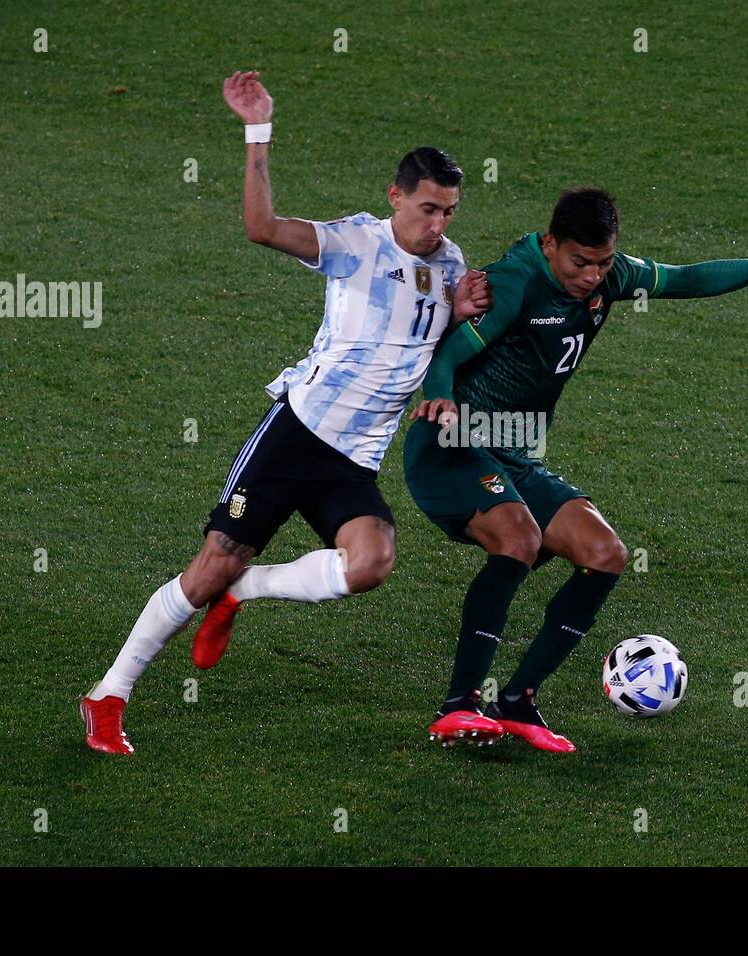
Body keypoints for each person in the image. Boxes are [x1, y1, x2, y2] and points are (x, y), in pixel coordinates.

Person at [80, 71, 490, 754]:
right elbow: (260, 228)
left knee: (372, 564)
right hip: (296, 436)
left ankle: (248, 589)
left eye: (449, 210)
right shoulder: (355, 243)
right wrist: (257, 131)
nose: (439, 223)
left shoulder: (450, 265)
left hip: (355, 458)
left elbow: (421, 344)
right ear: (395, 197)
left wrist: (460, 314)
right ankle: (108, 696)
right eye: (427, 208)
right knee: (206, 567)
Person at [405, 187, 748, 752]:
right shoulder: (517, 280)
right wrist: (440, 397)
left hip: (515, 454)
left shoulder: (611, 274)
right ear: (551, 245)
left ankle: (518, 701)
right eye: (580, 262)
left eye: (603, 263)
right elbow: (451, 353)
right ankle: (457, 707)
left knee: (605, 554)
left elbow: (686, 279)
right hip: (451, 443)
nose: (593, 276)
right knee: (518, 539)